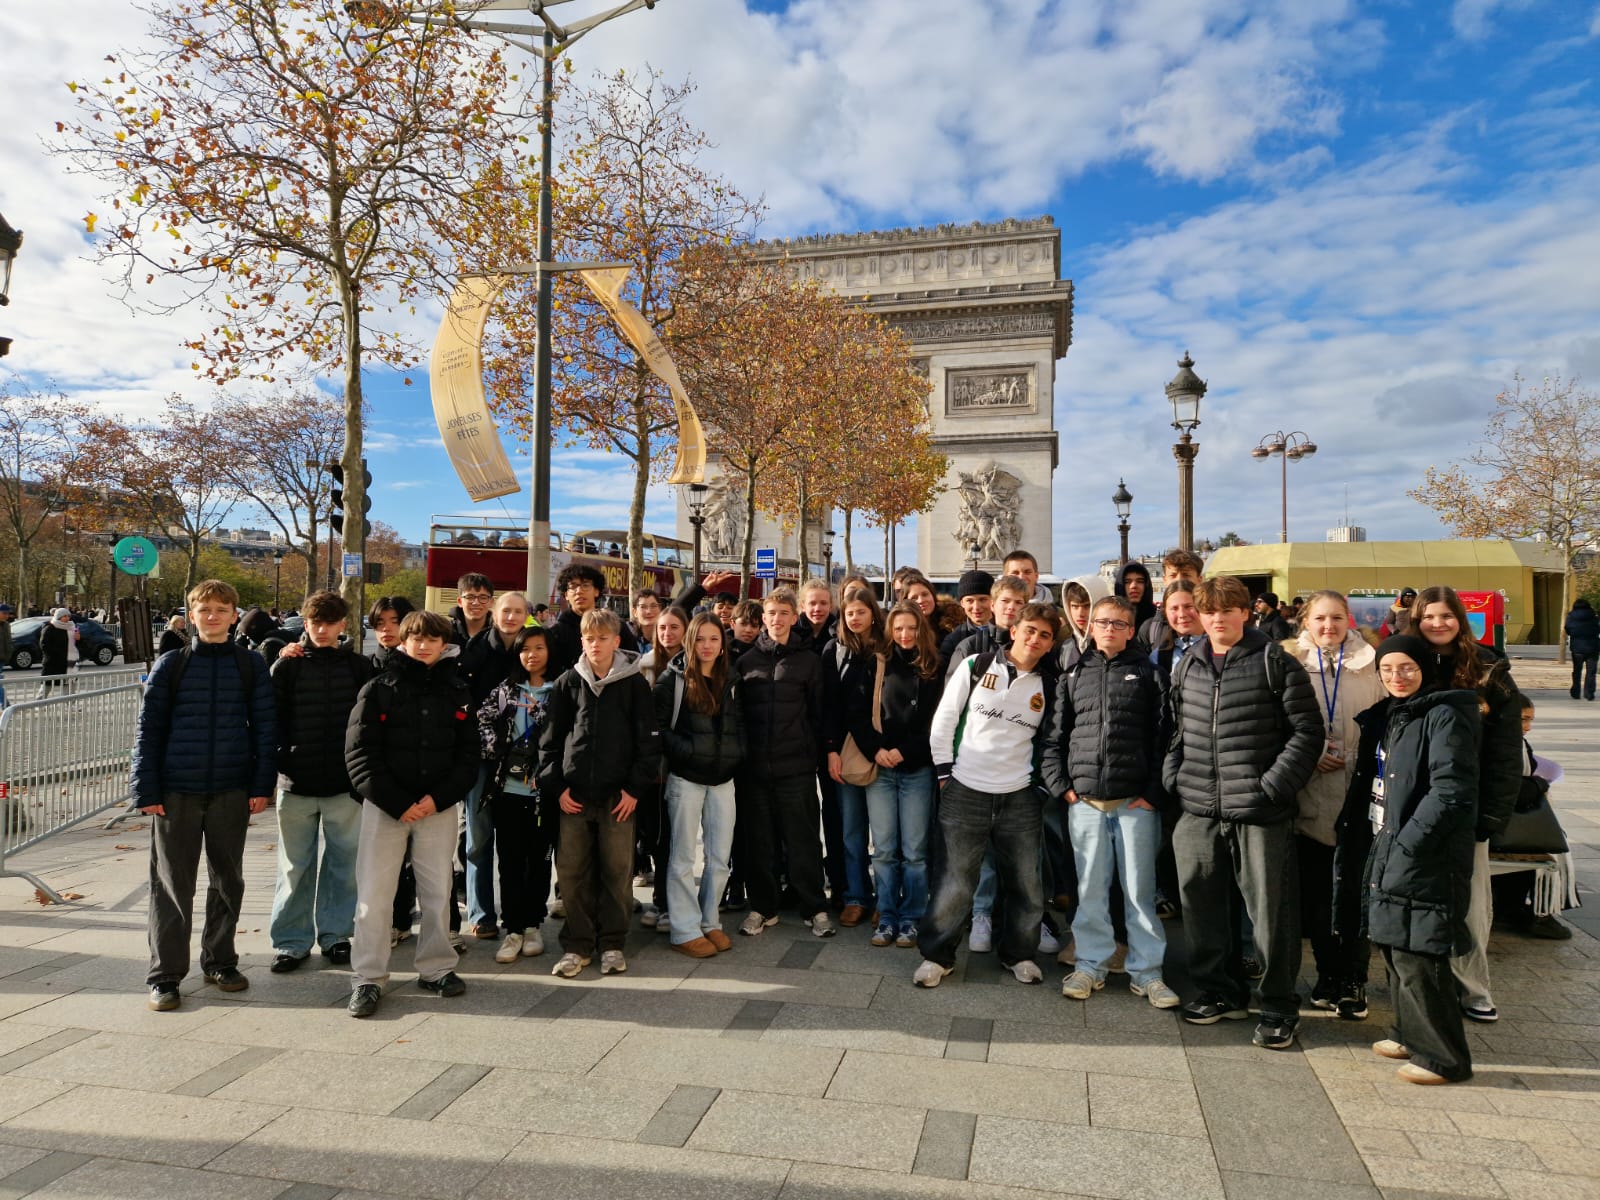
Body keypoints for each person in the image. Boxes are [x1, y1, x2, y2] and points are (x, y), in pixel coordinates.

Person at [1164, 575, 1321, 1049]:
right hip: (1199, 807)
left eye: (1227, 610)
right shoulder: (1188, 664)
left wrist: (1272, 787)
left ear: (1245, 613)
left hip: (1258, 810)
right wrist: (1175, 774)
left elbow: (1307, 732)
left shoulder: (1275, 662)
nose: (1218, 619)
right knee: (1201, 906)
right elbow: (1178, 727)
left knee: (1270, 914)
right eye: (1209, 611)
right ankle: (1219, 992)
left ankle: (1277, 1005)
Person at [1335, 634, 1479, 1084]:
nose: (1397, 677)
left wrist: (1410, 842)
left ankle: (1443, 1058)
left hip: (1423, 850)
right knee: (1395, 942)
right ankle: (1408, 1033)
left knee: (1420, 951)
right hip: (1387, 838)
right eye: (1387, 669)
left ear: (1425, 668)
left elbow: (1450, 790)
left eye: (1407, 668)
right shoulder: (1396, 712)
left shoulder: (1444, 714)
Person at [131, 580, 276, 1012]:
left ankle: (220, 960)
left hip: (231, 788)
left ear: (234, 616)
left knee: (228, 880)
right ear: (191, 615)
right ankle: (165, 975)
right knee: (172, 885)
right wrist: (146, 788)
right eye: (204, 609)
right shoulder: (171, 664)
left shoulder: (250, 665)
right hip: (176, 790)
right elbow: (148, 729)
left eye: (221, 609)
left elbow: (265, 728)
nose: (212, 616)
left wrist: (261, 785)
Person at [915, 602, 1061, 988]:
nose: (1035, 639)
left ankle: (1019, 954)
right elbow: (944, 721)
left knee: (1026, 883)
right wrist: (945, 775)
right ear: (1014, 631)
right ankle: (937, 956)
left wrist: (1039, 788)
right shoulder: (976, 666)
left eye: (1044, 635)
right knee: (955, 881)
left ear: (1050, 644)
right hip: (965, 789)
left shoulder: (1049, 685)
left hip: (1020, 796)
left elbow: (1050, 741)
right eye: (1030, 630)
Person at [1042, 595, 1177, 1008]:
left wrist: (1153, 793)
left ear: (1131, 629)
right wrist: (1061, 786)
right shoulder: (1073, 674)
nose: (1109, 629)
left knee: (1139, 892)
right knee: (1090, 891)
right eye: (1102, 622)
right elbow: (1054, 737)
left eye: (1118, 624)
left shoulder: (1151, 675)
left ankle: (1147, 972)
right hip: (1085, 802)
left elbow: (1165, 738)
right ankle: (1090, 964)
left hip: (1135, 802)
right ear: (1091, 627)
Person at [345, 608, 478, 1018]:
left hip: (437, 807)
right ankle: (368, 977)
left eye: (432, 639)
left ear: (443, 644)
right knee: (374, 895)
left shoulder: (457, 689)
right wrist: (397, 802)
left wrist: (438, 799)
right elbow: (359, 753)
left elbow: (468, 756)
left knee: (438, 893)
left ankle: (437, 968)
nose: (423, 646)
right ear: (403, 641)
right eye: (416, 638)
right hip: (386, 807)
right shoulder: (377, 687)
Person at [1412, 585, 1521, 1024]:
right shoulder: (1406, 662)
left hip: (1467, 805)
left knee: (1471, 904)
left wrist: (1493, 813)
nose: (1437, 624)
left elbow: (1506, 751)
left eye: (1446, 615)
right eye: (1428, 616)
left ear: (1461, 619)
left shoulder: (1489, 670)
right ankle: (1424, 983)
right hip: (1413, 801)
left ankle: (1474, 988)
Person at [540, 608, 660, 978]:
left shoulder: (634, 684)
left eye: (603, 638)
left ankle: (612, 942)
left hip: (618, 796)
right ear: (582, 641)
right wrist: (557, 787)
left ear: (616, 641)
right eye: (589, 639)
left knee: (617, 872)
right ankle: (577, 944)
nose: (595, 645)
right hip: (573, 795)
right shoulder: (568, 682)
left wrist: (634, 789)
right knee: (572, 872)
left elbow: (648, 743)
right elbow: (550, 741)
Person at [1287, 590, 1385, 1018]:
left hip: (1357, 792)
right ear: (1305, 621)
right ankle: (1327, 975)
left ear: (1349, 620)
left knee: (1356, 890)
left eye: (1337, 618)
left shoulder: (1373, 662)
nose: (1329, 626)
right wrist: (1309, 756)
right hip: (1310, 790)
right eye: (1320, 618)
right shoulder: (1290, 663)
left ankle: (1353, 979)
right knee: (1318, 893)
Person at [267, 590, 372, 973]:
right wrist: (280, 762)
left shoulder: (359, 667)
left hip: (344, 783)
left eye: (329, 623)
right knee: (294, 867)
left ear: (342, 624)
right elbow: (271, 720)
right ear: (305, 623)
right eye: (315, 623)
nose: (322, 630)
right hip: (296, 780)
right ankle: (291, 942)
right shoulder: (287, 667)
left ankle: (336, 936)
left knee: (343, 866)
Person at [735, 587, 832, 937]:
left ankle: (814, 907)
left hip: (796, 769)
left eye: (783, 613)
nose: (777, 619)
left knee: (803, 841)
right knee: (760, 843)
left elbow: (819, 714)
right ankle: (763, 907)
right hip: (755, 770)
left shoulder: (808, 661)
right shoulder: (746, 662)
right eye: (771, 613)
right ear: (764, 618)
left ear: (794, 617)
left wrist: (815, 756)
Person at [852, 601, 942, 949]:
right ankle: (887, 914)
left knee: (915, 851)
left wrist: (906, 751)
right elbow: (857, 713)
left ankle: (912, 917)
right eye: (899, 628)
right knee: (884, 849)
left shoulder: (933, 667)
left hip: (916, 767)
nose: (905, 635)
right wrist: (876, 749)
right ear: (890, 630)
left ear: (922, 630)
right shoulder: (875, 663)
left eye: (912, 628)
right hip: (880, 768)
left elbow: (937, 722)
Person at [655, 612, 744, 957]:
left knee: (719, 857)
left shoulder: (732, 679)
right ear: (690, 641)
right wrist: (688, 752)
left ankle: (710, 921)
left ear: (722, 645)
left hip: (723, 780)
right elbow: (658, 728)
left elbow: (741, 724)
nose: (707, 646)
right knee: (682, 857)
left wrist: (738, 754)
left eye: (714, 639)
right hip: (686, 779)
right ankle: (684, 929)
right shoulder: (672, 679)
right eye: (700, 639)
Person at [477, 626, 556, 963]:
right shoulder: (506, 690)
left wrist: (539, 713)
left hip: (544, 793)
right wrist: (497, 748)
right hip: (508, 790)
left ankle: (533, 924)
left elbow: (568, 731)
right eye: (525, 649)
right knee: (509, 861)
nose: (531, 655)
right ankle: (512, 928)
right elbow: (482, 720)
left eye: (539, 648)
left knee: (539, 861)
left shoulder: (561, 689)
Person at [459, 591, 533, 940]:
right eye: (506, 610)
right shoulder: (476, 649)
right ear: (495, 612)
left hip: (521, 758)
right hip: (481, 757)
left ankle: (520, 912)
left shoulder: (531, 646)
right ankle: (481, 912)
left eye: (518, 611)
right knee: (478, 837)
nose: (511, 617)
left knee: (517, 839)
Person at [822, 585, 885, 927]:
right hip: (847, 750)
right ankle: (856, 896)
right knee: (851, 831)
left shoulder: (887, 647)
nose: (856, 618)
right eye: (849, 613)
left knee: (885, 835)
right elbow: (829, 705)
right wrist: (831, 749)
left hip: (882, 750)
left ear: (873, 614)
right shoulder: (834, 650)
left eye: (862, 611)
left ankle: (885, 899)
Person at [635, 605, 688, 925]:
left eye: (674, 627)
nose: (667, 633)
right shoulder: (643, 666)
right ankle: (659, 901)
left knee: (674, 837)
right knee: (652, 835)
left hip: (681, 763)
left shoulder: (693, 665)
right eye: (663, 628)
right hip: (649, 765)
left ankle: (670, 903)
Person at [547, 563, 639, 677]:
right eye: (573, 586)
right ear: (566, 594)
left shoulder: (617, 626)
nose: (579, 591)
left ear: (596, 591)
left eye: (585, 585)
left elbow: (633, 663)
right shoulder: (555, 633)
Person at [1138, 549, 1205, 649]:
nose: (1179, 580)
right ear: (1164, 580)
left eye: (1186, 575)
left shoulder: (1215, 621)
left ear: (1200, 580)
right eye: (1173, 576)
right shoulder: (1151, 628)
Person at [938, 570, 994, 666]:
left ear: (993, 600)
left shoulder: (1008, 633)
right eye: (969, 601)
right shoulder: (953, 640)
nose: (976, 607)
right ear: (962, 603)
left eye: (982, 599)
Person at [1565, 597, 1598, 701]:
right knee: (1591, 672)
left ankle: (1576, 692)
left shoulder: (1571, 616)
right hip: (1592, 647)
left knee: (1577, 671)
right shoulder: (1593, 616)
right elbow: (1598, 628)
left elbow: (1567, 628)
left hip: (1577, 648)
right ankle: (1589, 693)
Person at [449, 573, 494, 646]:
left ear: (491, 602)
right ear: (460, 601)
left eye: (483, 598)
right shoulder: (446, 632)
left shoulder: (499, 634)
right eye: (470, 597)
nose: (476, 603)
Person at [41, 608, 73, 688]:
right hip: (52, 663)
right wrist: (57, 654)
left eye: (68, 616)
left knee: (68, 687)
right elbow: (44, 645)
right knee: (47, 686)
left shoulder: (70, 627)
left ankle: (69, 697)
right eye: (64, 616)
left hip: (67, 663)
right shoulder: (50, 628)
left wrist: (78, 638)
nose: (67, 618)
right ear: (58, 617)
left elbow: (75, 643)